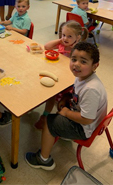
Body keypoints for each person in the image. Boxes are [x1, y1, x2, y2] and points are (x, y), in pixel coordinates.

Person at [26, 42, 107, 170]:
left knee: (49, 121)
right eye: (74, 59)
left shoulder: (91, 89)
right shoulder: (82, 76)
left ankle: (43, 159)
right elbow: (78, 96)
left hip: (84, 128)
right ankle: (61, 131)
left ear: (95, 66)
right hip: (84, 118)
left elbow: (87, 119)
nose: (76, 64)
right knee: (60, 106)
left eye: (83, 61)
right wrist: (67, 97)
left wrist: (66, 113)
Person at [34, 20, 89, 130]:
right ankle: (45, 115)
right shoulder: (62, 44)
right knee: (51, 95)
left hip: (70, 81)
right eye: (63, 35)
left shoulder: (78, 49)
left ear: (78, 38)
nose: (65, 38)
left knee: (62, 100)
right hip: (58, 73)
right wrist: (60, 40)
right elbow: (46, 46)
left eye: (69, 36)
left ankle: (62, 119)